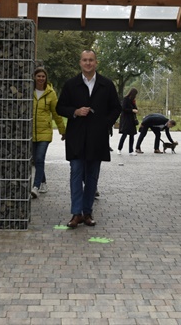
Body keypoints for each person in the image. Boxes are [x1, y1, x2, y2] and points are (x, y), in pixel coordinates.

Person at [57, 49, 121, 229]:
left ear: (96, 63)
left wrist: (105, 123)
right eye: (85, 60)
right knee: (76, 173)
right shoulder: (71, 84)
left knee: (92, 176)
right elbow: (60, 107)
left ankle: (87, 212)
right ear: (80, 62)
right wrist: (75, 112)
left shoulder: (106, 85)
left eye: (91, 60)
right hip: (76, 137)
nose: (88, 63)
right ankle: (76, 213)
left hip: (97, 138)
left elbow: (116, 108)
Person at [31, 66, 65, 199]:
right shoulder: (29, 91)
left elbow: (56, 113)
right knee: (36, 160)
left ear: (46, 78)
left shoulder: (51, 93)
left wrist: (62, 131)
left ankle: (35, 187)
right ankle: (43, 182)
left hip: (45, 131)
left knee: (40, 158)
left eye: (43, 76)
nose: (41, 78)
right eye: (38, 76)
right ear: (34, 77)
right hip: (31, 132)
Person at [117, 88, 139, 155]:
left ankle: (131, 151)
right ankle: (119, 149)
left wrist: (135, 109)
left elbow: (135, 108)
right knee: (124, 134)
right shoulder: (125, 99)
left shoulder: (133, 100)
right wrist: (132, 110)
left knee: (132, 135)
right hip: (126, 119)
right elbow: (123, 108)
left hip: (132, 119)